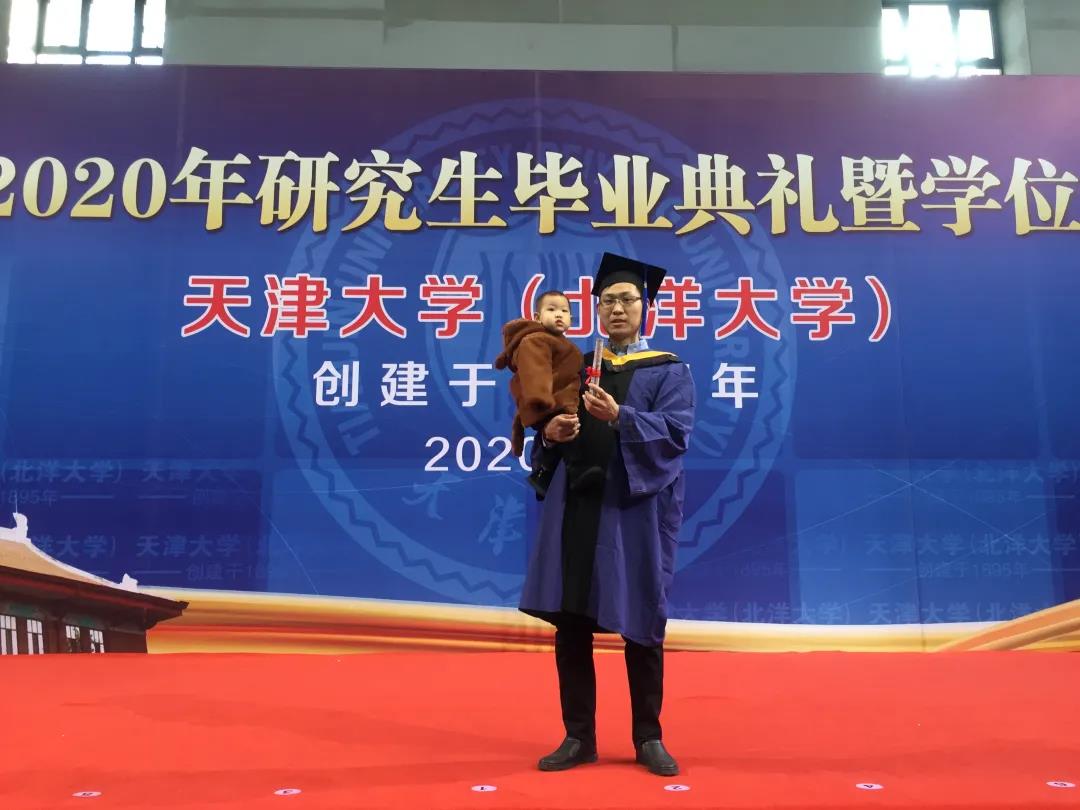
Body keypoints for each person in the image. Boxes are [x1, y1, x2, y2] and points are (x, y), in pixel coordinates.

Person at [518, 253, 696, 777]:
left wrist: (622, 416)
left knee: (642, 619)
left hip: (633, 509)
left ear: (645, 307)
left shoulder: (668, 369)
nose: (617, 309)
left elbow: (677, 435)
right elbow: (544, 432)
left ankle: (648, 736)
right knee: (570, 620)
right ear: (596, 309)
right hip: (578, 504)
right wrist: (550, 435)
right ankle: (579, 736)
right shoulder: (574, 366)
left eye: (627, 300)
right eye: (607, 301)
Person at [495, 290, 605, 497]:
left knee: (569, 438)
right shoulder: (536, 340)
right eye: (552, 309)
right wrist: (541, 398)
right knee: (569, 437)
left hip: (560, 401)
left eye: (564, 311)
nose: (559, 314)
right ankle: (563, 474)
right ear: (537, 317)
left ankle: (545, 475)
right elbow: (536, 370)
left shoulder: (563, 344)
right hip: (548, 403)